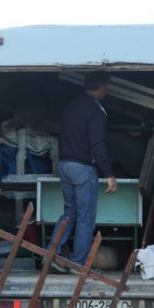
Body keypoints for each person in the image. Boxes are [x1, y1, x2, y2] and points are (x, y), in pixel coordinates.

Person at [49, 72, 117, 274]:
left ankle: (52, 256)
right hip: (83, 168)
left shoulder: (71, 106)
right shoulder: (96, 110)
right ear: (100, 87)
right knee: (86, 218)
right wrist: (109, 174)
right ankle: (78, 264)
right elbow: (98, 145)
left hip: (64, 165)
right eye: (106, 86)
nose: (107, 90)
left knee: (69, 213)